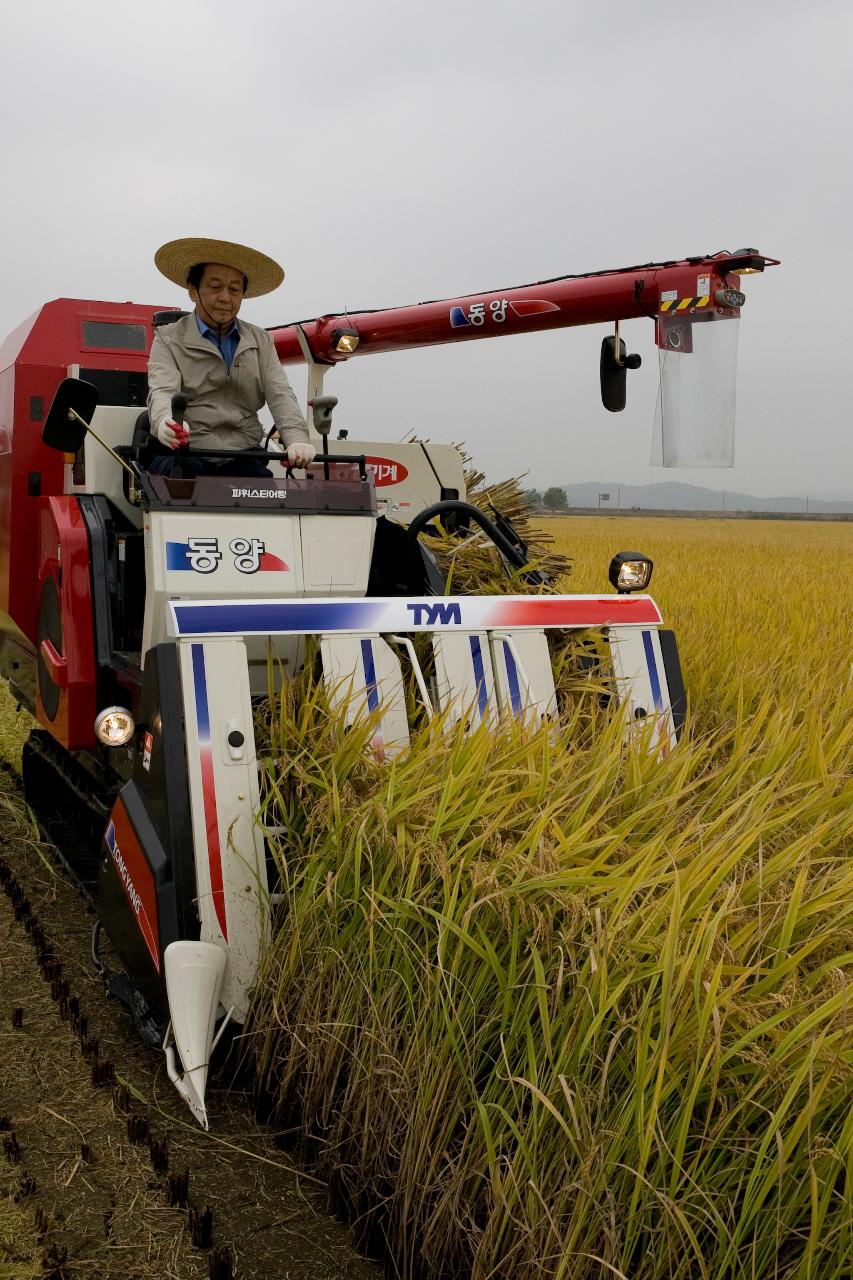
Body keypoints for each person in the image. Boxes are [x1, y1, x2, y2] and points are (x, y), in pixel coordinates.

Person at [147, 236, 316, 477]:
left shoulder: (261, 340)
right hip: (184, 452)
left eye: (234, 289)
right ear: (193, 291)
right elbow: (162, 390)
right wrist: (166, 421)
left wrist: (297, 439)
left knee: (264, 493)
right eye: (215, 287)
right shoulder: (167, 338)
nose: (225, 297)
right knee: (182, 483)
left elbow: (280, 393)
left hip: (243, 454)